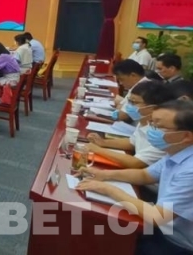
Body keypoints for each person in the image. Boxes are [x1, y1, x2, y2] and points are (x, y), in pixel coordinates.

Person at [75, 99, 193, 255]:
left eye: (158, 127)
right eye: (152, 123)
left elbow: (157, 217)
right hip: (163, 228)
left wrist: (109, 189)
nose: (151, 130)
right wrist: (103, 174)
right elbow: (144, 175)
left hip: (175, 242)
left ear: (186, 136)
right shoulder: (176, 152)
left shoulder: (190, 170)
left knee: (99, 236)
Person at [87, 81, 175, 169]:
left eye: (134, 103)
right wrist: (103, 142)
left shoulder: (162, 134)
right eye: (129, 101)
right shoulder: (144, 121)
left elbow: (135, 163)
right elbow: (132, 142)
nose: (129, 106)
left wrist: (98, 150)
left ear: (152, 108)